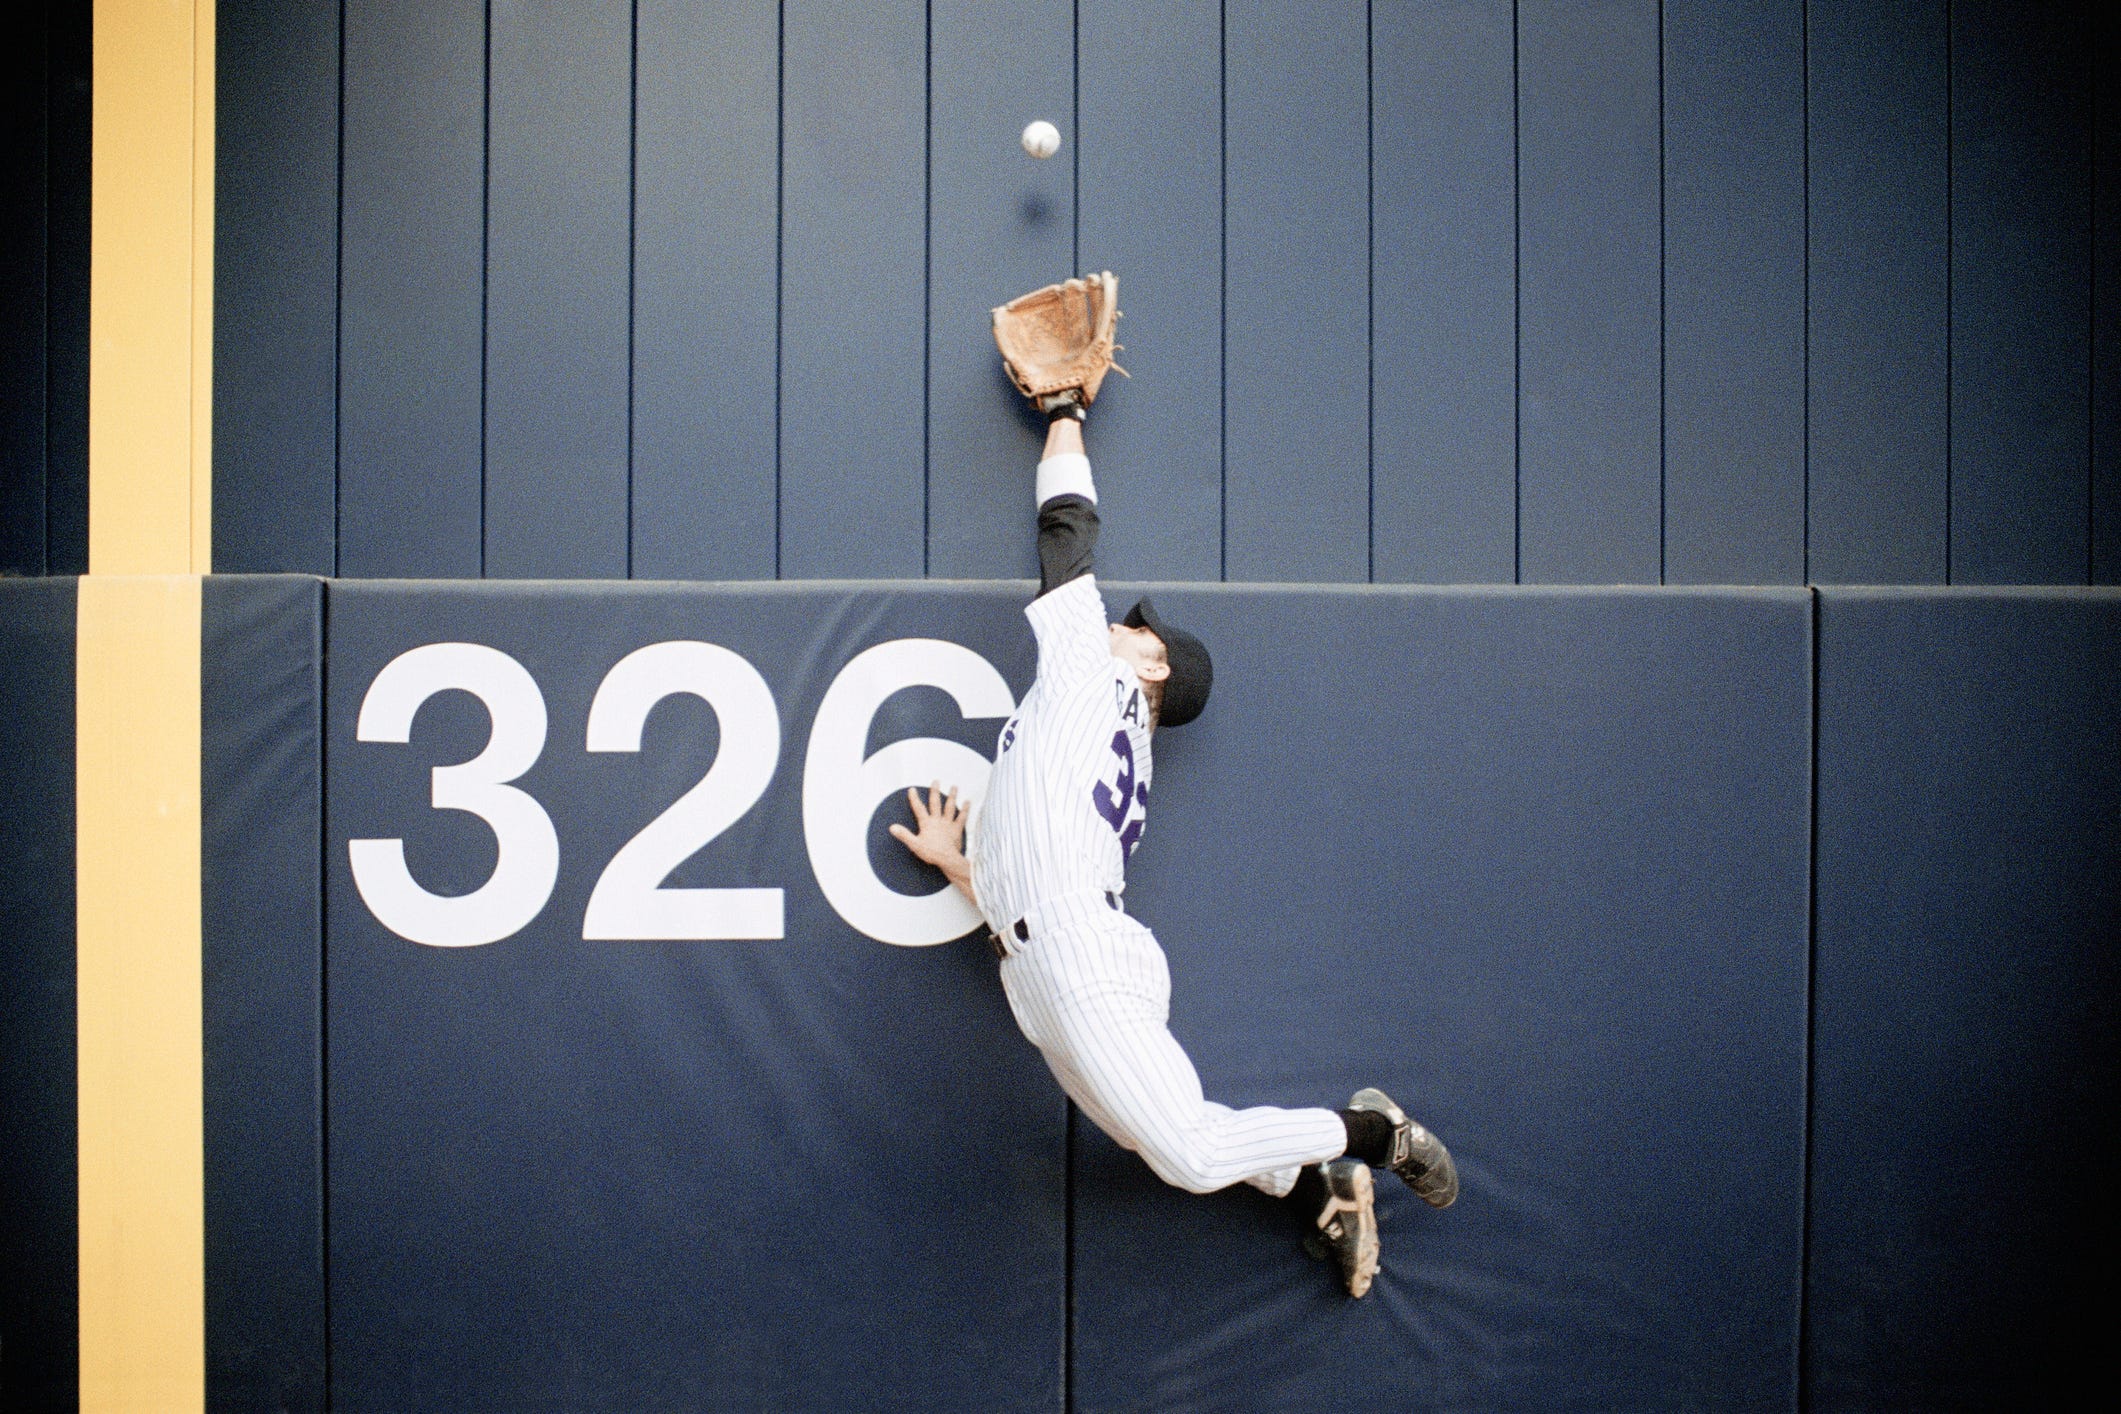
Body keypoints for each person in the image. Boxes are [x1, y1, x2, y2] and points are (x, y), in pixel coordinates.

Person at [889, 380, 1457, 1298]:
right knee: (1150, 1137)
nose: (1122, 623)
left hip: (1075, 951)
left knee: (1186, 1151)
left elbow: (1065, 528)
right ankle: (1315, 1179)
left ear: (1151, 667)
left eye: (1139, 631)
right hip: (1054, 956)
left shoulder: (1092, 678)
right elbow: (1045, 850)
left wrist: (1064, 413)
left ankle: (1371, 1135)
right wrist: (962, 861)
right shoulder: (1102, 735)